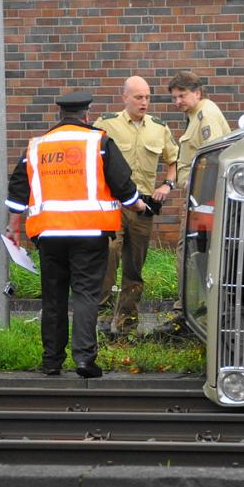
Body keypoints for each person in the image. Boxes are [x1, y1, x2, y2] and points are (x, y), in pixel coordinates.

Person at [5, 91, 149, 378]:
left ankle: (51, 361)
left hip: (48, 234)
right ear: (86, 115)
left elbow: (18, 192)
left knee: (53, 297)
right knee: (85, 294)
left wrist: (13, 228)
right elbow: (123, 185)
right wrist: (139, 205)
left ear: (60, 115)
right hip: (89, 233)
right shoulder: (100, 141)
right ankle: (84, 359)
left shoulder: (36, 146)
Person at [93, 76, 179, 338]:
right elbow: (90, 157)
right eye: (138, 97)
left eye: (147, 97)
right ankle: (102, 322)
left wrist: (167, 185)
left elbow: (173, 161)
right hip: (113, 204)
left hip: (143, 207)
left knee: (134, 267)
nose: (144, 102)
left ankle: (127, 326)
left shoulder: (158, 128)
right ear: (125, 98)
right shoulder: (106, 124)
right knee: (109, 256)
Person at [154, 71, 231, 337]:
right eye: (174, 97)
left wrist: (201, 202)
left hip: (205, 198)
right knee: (195, 253)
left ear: (197, 93)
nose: (178, 101)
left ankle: (188, 314)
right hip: (202, 197)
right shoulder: (197, 115)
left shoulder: (205, 115)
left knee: (191, 252)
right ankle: (194, 311)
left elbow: (213, 158)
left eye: (182, 95)